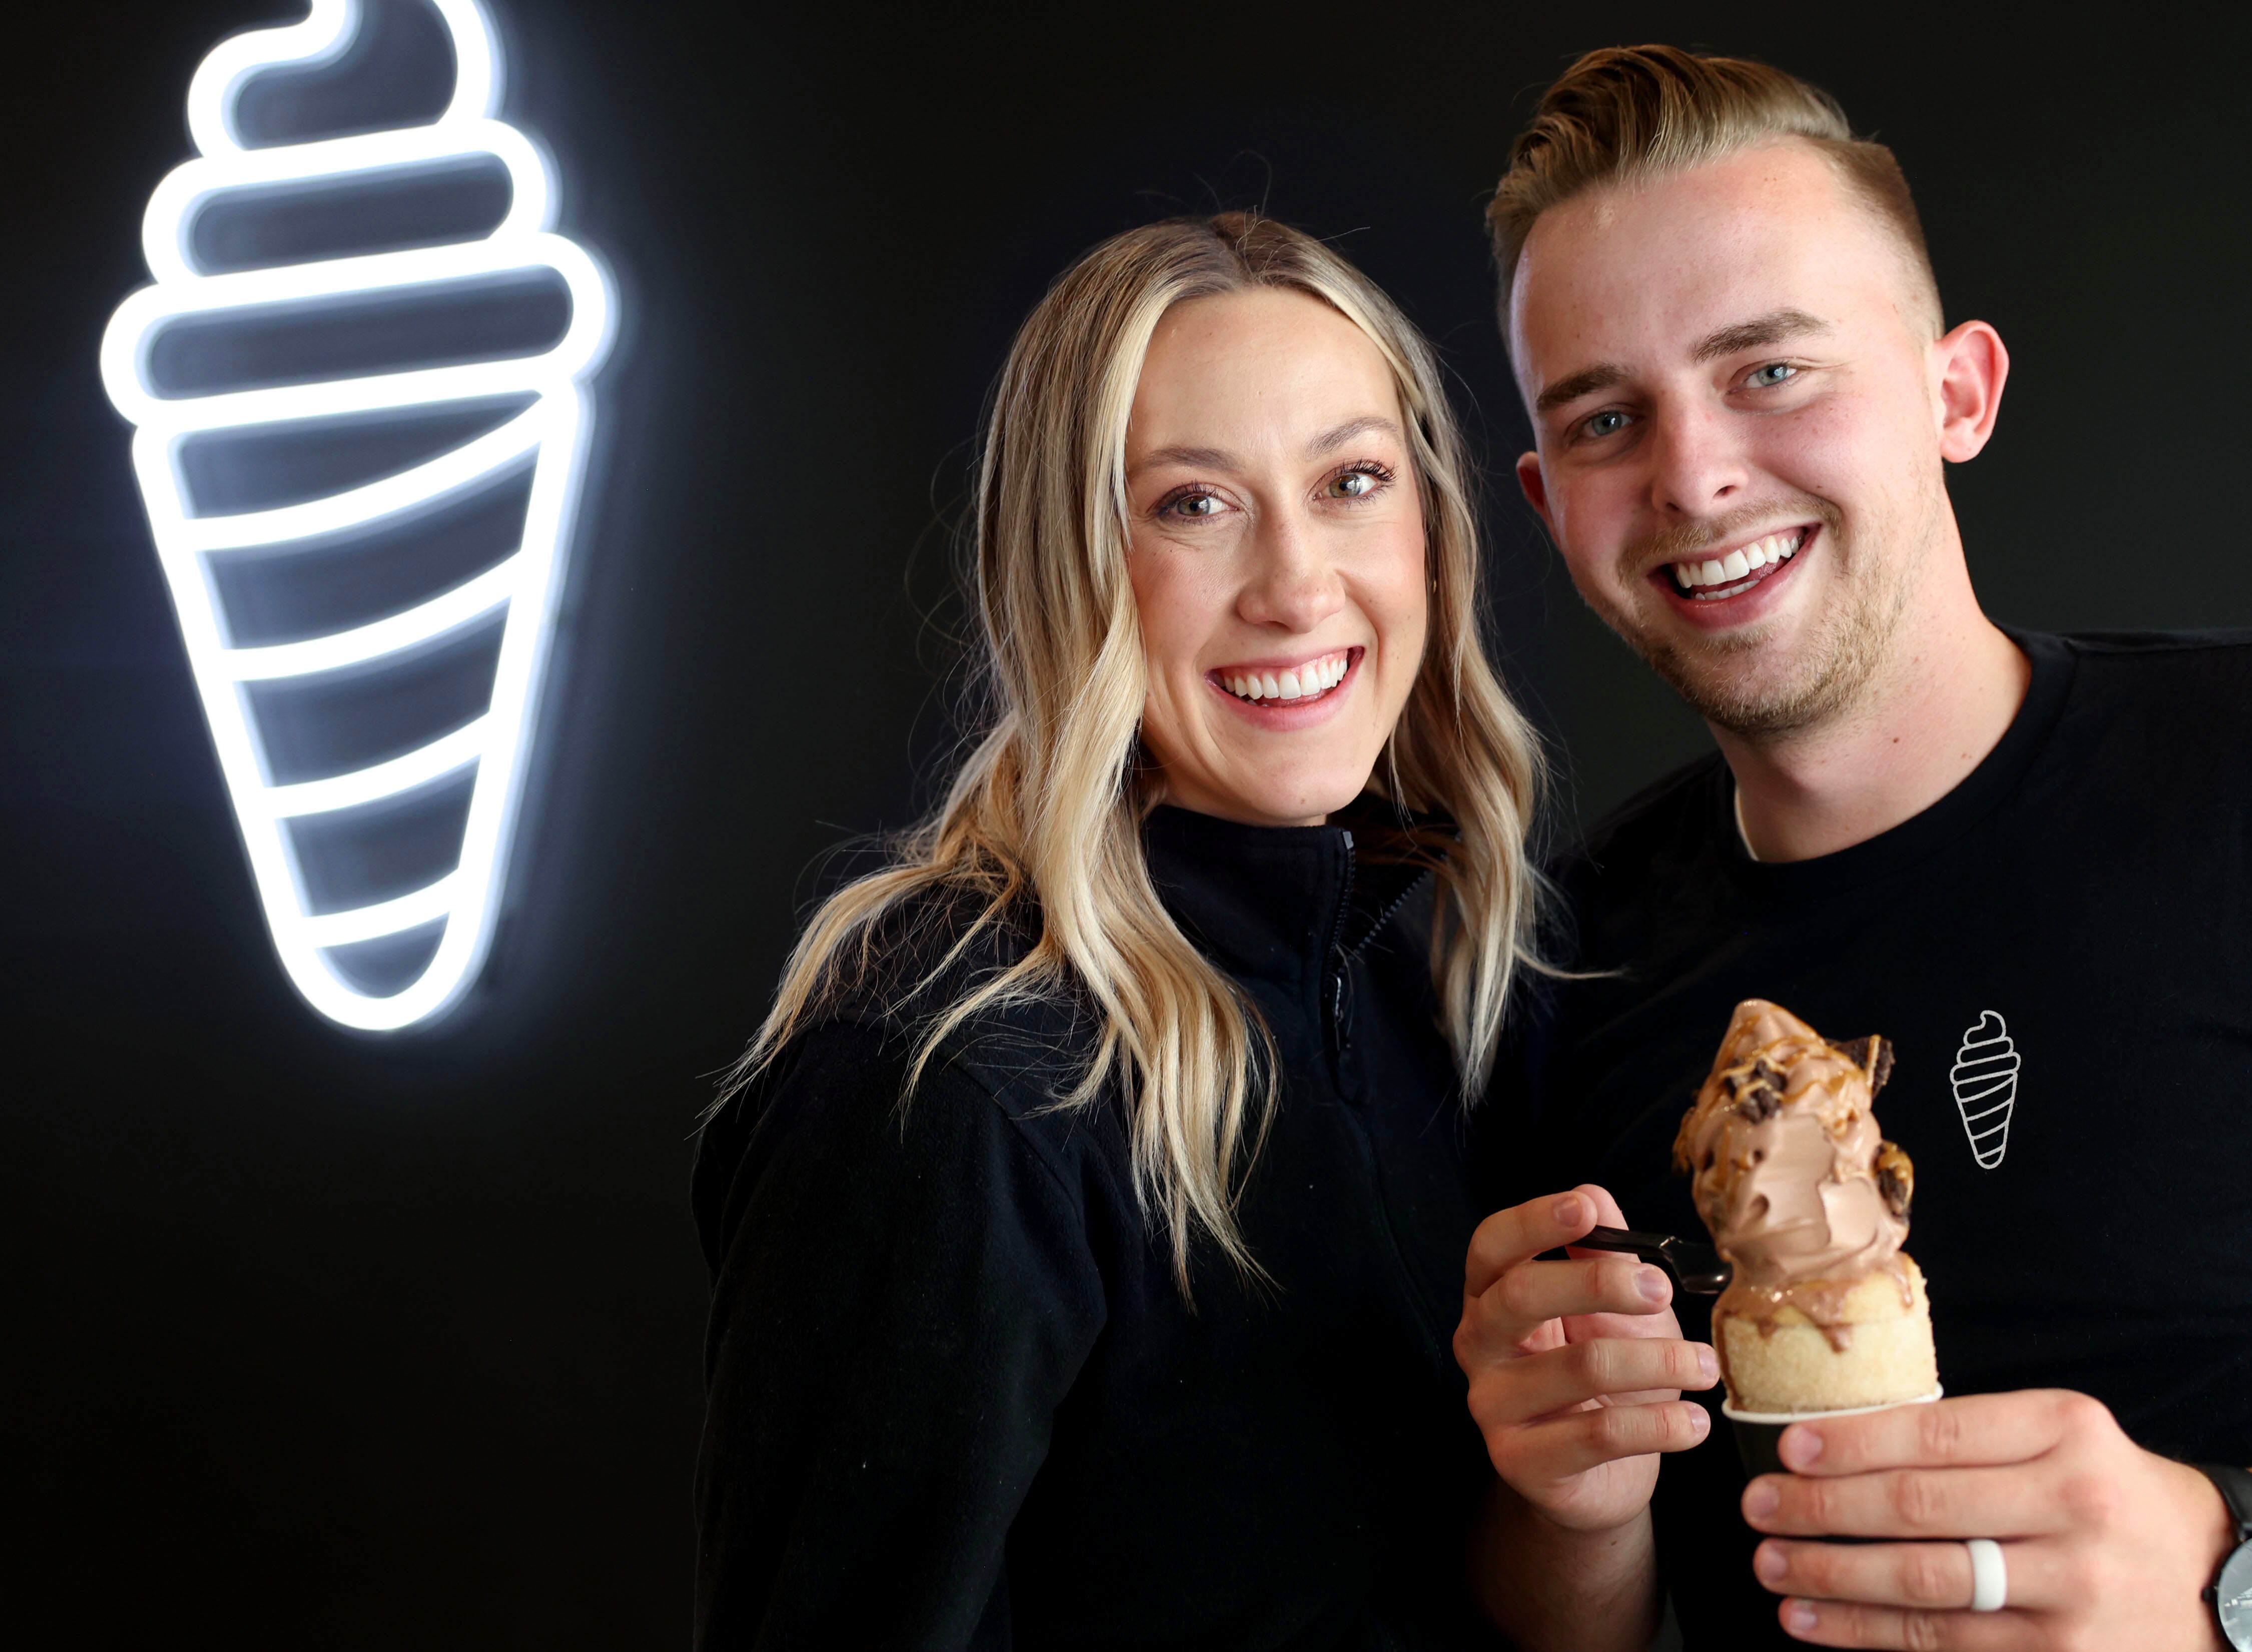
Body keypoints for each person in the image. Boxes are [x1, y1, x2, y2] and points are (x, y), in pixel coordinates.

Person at [1453, 44, 2252, 1652]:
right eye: (1606, 418)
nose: (1692, 475)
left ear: (1957, 393)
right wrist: (1563, 1508)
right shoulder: (1550, 969)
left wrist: (2224, 1578)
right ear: (1547, 506)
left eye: (1767, 370)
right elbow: (1577, 1632)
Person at [691, 212, 1560, 1647]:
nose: (1297, 587)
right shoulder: (946, 1079)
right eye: (1192, 504)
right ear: (1065, 562)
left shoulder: (1462, 981)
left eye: (1350, 482)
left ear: (1430, 526)